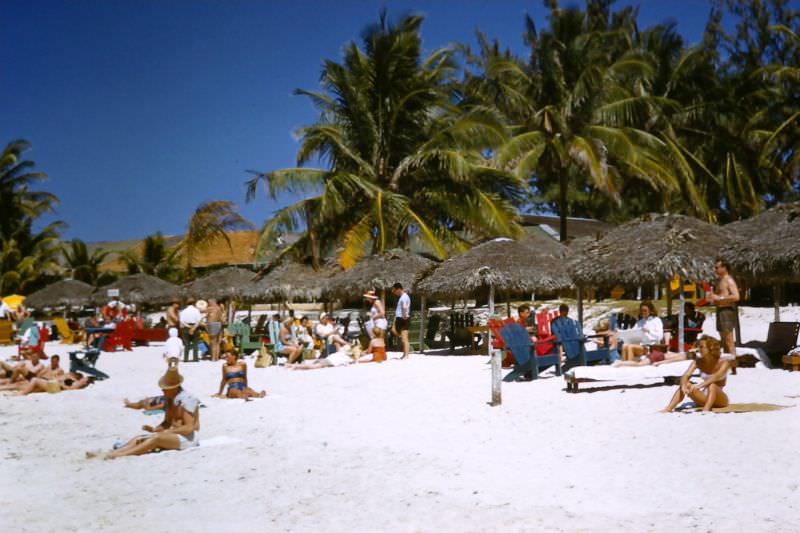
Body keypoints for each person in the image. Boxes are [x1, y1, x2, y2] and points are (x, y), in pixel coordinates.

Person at [98, 358, 200, 459]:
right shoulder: (170, 399)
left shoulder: (187, 400)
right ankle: (113, 452)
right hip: (176, 434)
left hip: (189, 438)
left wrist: (166, 432)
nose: (163, 391)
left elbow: (189, 428)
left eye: (165, 389)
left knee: (156, 438)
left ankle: (119, 455)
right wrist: (155, 429)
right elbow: (167, 422)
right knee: (140, 438)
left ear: (174, 388)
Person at [661, 336, 730, 412]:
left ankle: (706, 410)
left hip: (720, 400)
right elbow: (685, 375)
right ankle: (669, 408)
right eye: (698, 347)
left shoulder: (724, 362)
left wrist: (699, 386)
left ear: (711, 348)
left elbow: (716, 377)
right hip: (704, 398)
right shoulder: (698, 362)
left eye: (702, 347)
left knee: (712, 385)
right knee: (686, 383)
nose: (699, 349)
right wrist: (683, 386)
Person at [708, 257, 739, 357]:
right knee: (724, 340)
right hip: (721, 310)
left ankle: (733, 362)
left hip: (727, 310)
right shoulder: (719, 280)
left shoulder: (728, 280)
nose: (715, 270)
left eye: (717, 267)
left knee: (729, 339)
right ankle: (727, 363)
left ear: (724, 267)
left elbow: (736, 296)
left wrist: (720, 298)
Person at [391, 282, 411, 359]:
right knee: (395, 332)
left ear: (398, 289)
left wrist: (404, 315)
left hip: (403, 319)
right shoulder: (403, 297)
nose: (395, 293)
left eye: (395, 291)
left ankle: (406, 355)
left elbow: (404, 307)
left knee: (404, 338)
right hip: (401, 318)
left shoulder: (404, 297)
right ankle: (405, 354)